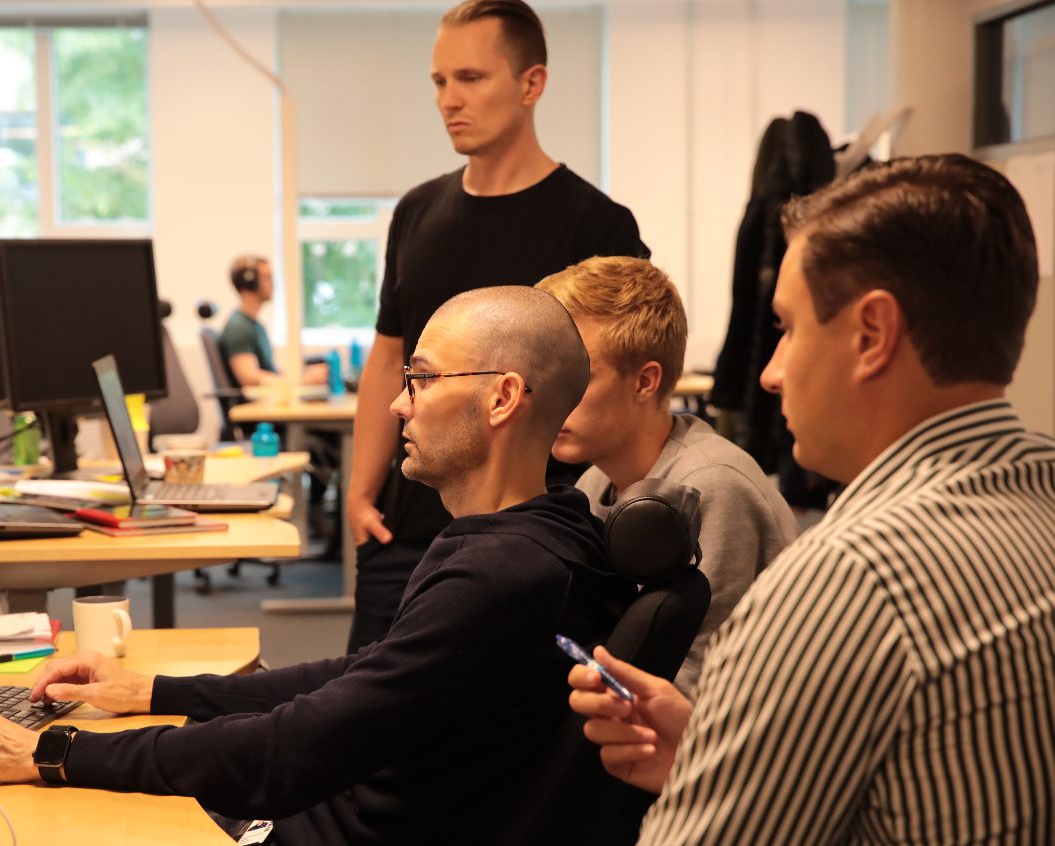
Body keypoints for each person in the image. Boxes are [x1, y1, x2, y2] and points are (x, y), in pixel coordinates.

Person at [0, 287, 635, 846]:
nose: (400, 406)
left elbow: (295, 751)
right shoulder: (535, 536)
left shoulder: (501, 575)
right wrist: (150, 688)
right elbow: (364, 675)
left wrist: (53, 751)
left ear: (503, 397)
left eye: (424, 379)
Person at [568, 154, 1055, 843]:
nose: (769, 374)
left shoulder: (847, 581)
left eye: (788, 329)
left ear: (871, 334)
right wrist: (716, 751)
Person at [347, 0, 649, 651]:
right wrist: (359, 491)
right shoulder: (417, 213)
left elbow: (613, 382)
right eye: (439, 81)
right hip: (404, 527)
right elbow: (387, 357)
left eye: (472, 78)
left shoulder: (597, 225)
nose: (449, 99)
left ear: (531, 84)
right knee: (360, 725)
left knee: (488, 738)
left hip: (528, 539)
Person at [536, 256, 798, 696]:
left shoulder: (711, 487)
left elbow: (701, 681)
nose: (550, 396)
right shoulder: (595, 483)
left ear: (645, 382)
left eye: (577, 375)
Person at [218, 254, 328, 387]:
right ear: (250, 282)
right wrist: (298, 382)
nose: (273, 283)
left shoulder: (255, 325)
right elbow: (249, 377)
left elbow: (270, 372)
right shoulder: (238, 327)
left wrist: (302, 377)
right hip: (256, 406)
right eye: (268, 277)